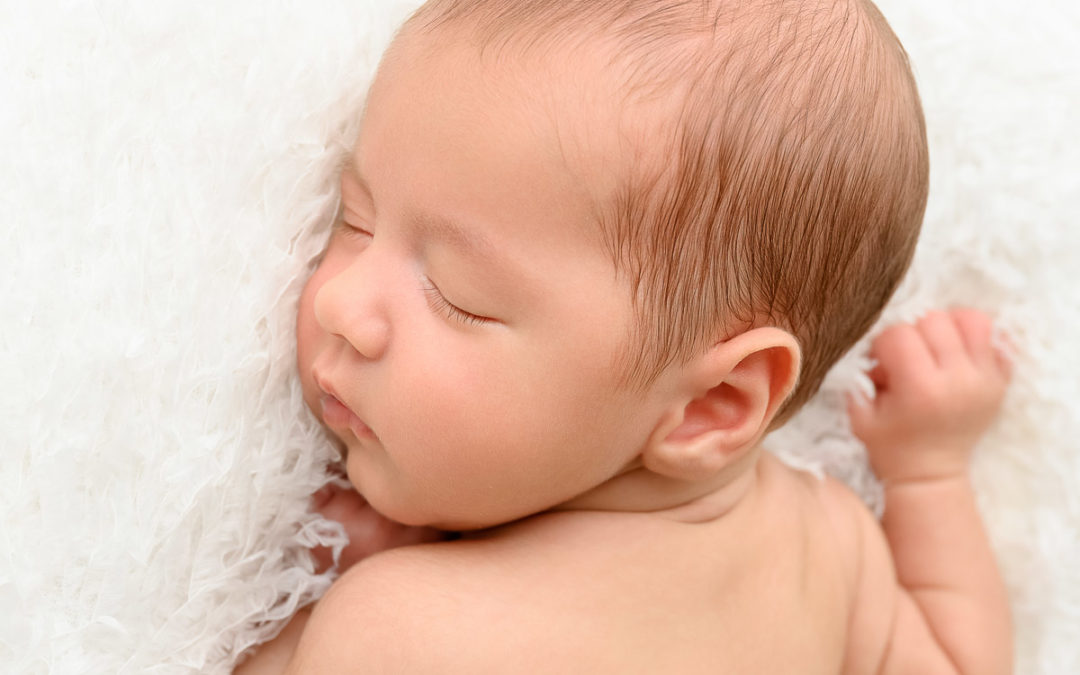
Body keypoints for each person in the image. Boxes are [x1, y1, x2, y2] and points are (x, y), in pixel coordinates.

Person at [236, 0, 1014, 672]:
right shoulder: (827, 555)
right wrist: (927, 473)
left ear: (712, 404)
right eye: (357, 217)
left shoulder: (396, 633)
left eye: (459, 296)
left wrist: (311, 599)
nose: (340, 301)